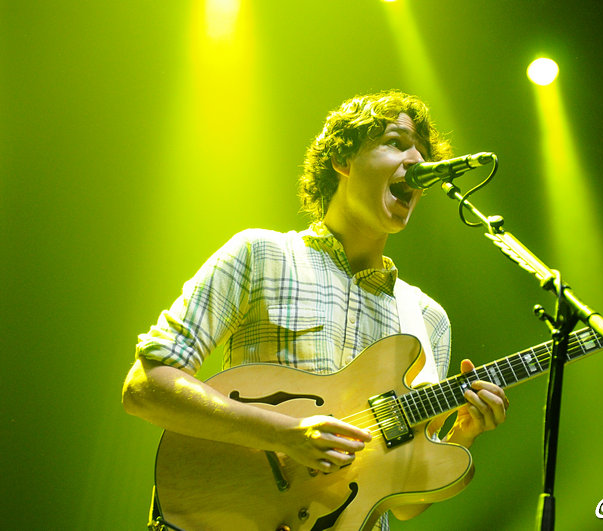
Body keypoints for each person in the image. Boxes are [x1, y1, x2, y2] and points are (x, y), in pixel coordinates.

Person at [122, 90, 509, 530]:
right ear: (343, 159)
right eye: (397, 142)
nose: (416, 158)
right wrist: (282, 434)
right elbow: (145, 387)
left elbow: (403, 504)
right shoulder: (261, 254)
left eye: (421, 150)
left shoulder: (426, 316)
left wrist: (463, 432)